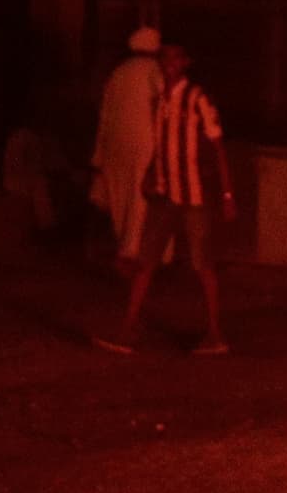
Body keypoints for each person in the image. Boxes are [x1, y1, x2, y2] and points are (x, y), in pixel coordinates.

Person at [95, 39, 234, 354]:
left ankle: (215, 332)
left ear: (185, 62)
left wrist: (227, 193)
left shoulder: (197, 98)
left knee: (202, 264)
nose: (169, 63)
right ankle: (127, 329)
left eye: (175, 58)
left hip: (194, 195)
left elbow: (217, 146)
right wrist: (149, 175)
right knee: (146, 261)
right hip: (165, 194)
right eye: (165, 57)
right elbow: (161, 146)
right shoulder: (159, 101)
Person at [91, 25, 164, 266]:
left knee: (122, 201)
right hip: (146, 147)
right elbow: (162, 109)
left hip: (115, 147)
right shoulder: (155, 71)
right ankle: (132, 255)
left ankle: (126, 248)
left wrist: (99, 156)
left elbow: (105, 115)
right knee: (141, 202)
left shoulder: (118, 73)